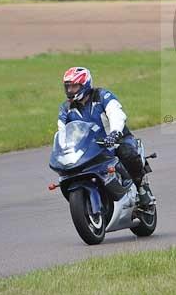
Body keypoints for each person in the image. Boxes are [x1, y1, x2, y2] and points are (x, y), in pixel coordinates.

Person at [57, 67, 153, 207]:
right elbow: (61, 129)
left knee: (127, 153)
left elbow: (116, 113)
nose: (71, 90)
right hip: (89, 147)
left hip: (116, 139)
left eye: (74, 86)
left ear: (85, 85)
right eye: (68, 87)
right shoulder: (66, 108)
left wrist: (114, 133)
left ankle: (143, 189)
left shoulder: (102, 96)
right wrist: (61, 145)